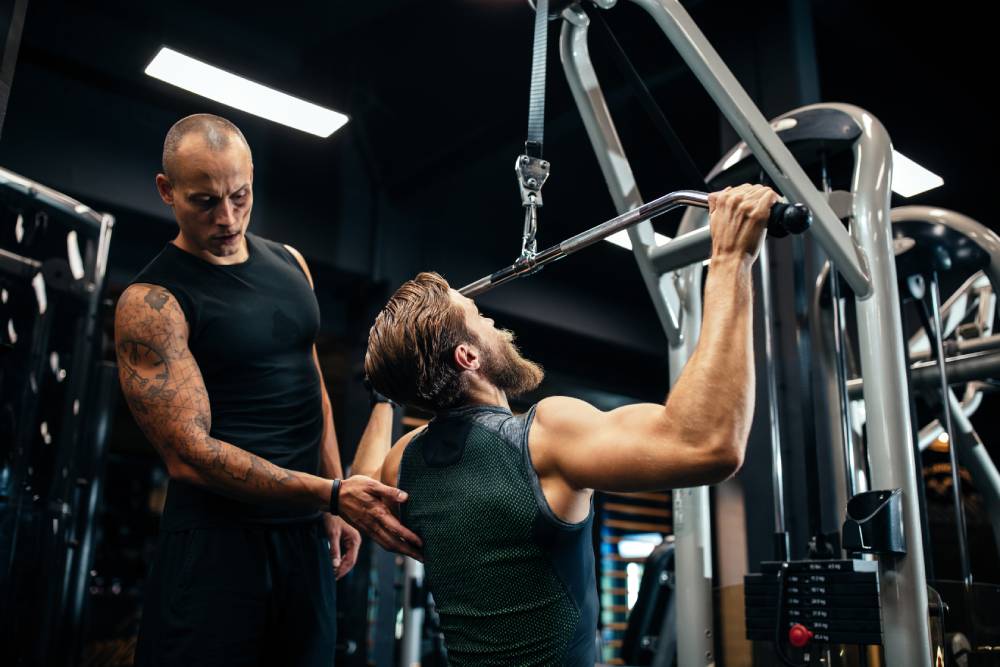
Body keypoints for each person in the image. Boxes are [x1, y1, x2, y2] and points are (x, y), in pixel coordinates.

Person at [358, 183, 778, 666]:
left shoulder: (402, 465)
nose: (493, 321)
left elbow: (360, 484)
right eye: (480, 317)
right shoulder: (541, 438)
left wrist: (386, 393)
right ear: (468, 356)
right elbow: (709, 444)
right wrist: (730, 259)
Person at [115, 113, 421, 667]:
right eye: (205, 201)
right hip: (216, 546)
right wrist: (329, 494)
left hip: (303, 536)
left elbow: (313, 389)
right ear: (167, 191)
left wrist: (333, 500)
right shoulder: (152, 302)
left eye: (240, 195)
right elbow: (190, 455)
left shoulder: (291, 263)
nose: (227, 217)